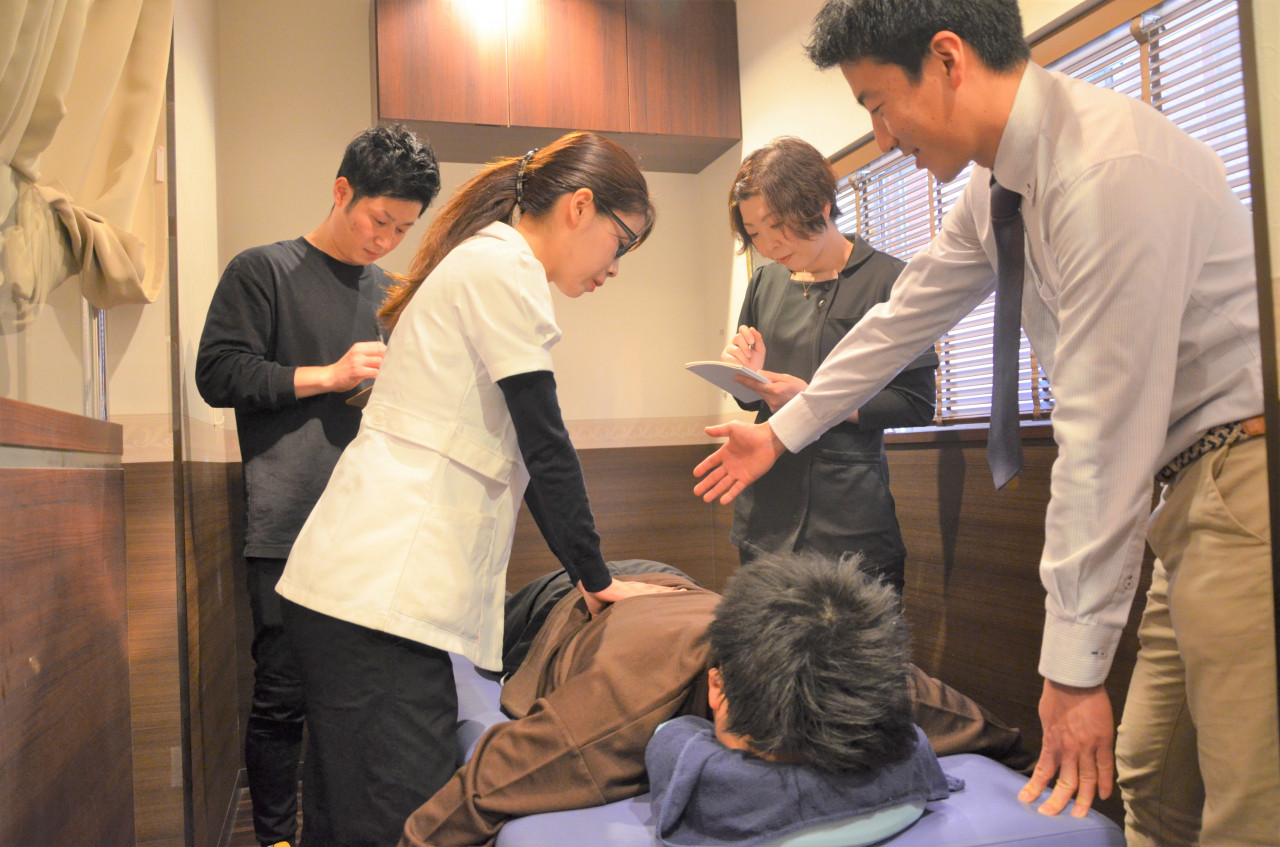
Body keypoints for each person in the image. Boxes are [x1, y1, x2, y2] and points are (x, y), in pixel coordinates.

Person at [691, 1, 1277, 842]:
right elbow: (898, 323)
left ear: (947, 59)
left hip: (1241, 482)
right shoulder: (997, 186)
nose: (882, 137)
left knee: (1246, 797)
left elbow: (1105, 435)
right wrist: (780, 431)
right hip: (1183, 497)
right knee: (1152, 775)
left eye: (875, 104)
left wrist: (1072, 678)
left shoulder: (1103, 172)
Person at [274, 131, 674, 847]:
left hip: (361, 595)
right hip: (379, 602)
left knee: (343, 820)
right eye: (623, 242)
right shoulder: (502, 269)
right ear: (580, 207)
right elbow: (543, 439)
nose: (617, 266)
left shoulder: (485, 262)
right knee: (405, 825)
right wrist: (596, 576)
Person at [400, 553, 1031, 847]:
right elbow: (457, 809)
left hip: (683, 588)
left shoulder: (876, 680)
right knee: (473, 628)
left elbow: (1002, 742)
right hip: (568, 606)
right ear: (717, 688)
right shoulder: (613, 712)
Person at [195, 124, 441, 847]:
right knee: (283, 699)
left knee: (368, 700)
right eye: (378, 219)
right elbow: (218, 373)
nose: (386, 238)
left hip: (380, 524)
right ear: (341, 191)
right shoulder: (262, 270)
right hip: (289, 520)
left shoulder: (393, 292)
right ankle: (275, 837)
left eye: (403, 227)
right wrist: (327, 376)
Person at [721, 136, 936, 587]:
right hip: (767, 519)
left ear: (818, 205)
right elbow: (750, 403)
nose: (769, 244)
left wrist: (813, 401)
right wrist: (748, 376)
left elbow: (915, 403)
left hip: (851, 522)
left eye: (777, 224)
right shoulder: (765, 283)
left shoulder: (888, 280)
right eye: (755, 232)